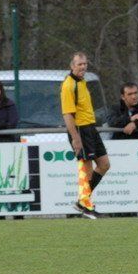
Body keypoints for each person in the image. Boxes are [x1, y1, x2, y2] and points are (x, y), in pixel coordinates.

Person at [61, 51, 111, 219]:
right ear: (72, 66)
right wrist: (75, 138)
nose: (83, 67)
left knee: (104, 164)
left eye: (85, 64)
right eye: (79, 64)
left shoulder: (82, 82)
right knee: (86, 170)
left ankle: (82, 202)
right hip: (80, 130)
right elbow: (67, 115)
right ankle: (87, 207)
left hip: (90, 128)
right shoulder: (69, 85)